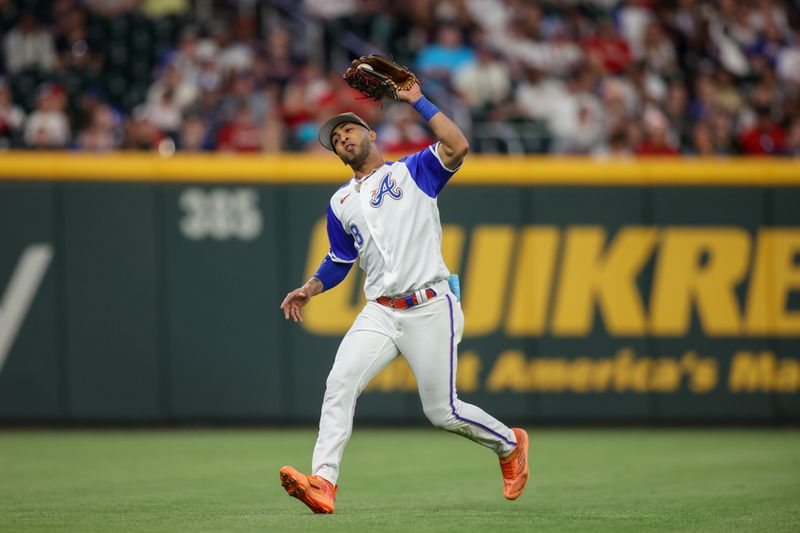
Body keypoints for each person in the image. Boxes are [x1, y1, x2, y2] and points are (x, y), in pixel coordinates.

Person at [278, 80, 529, 514]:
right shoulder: (340, 202)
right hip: (379, 311)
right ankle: (323, 481)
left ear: (371, 134)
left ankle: (509, 444)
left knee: (442, 412)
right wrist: (310, 287)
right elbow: (340, 259)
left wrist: (417, 100)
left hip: (430, 305)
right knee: (339, 384)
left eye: (349, 131)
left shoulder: (412, 171)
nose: (343, 139)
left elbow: (458, 145)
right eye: (336, 139)